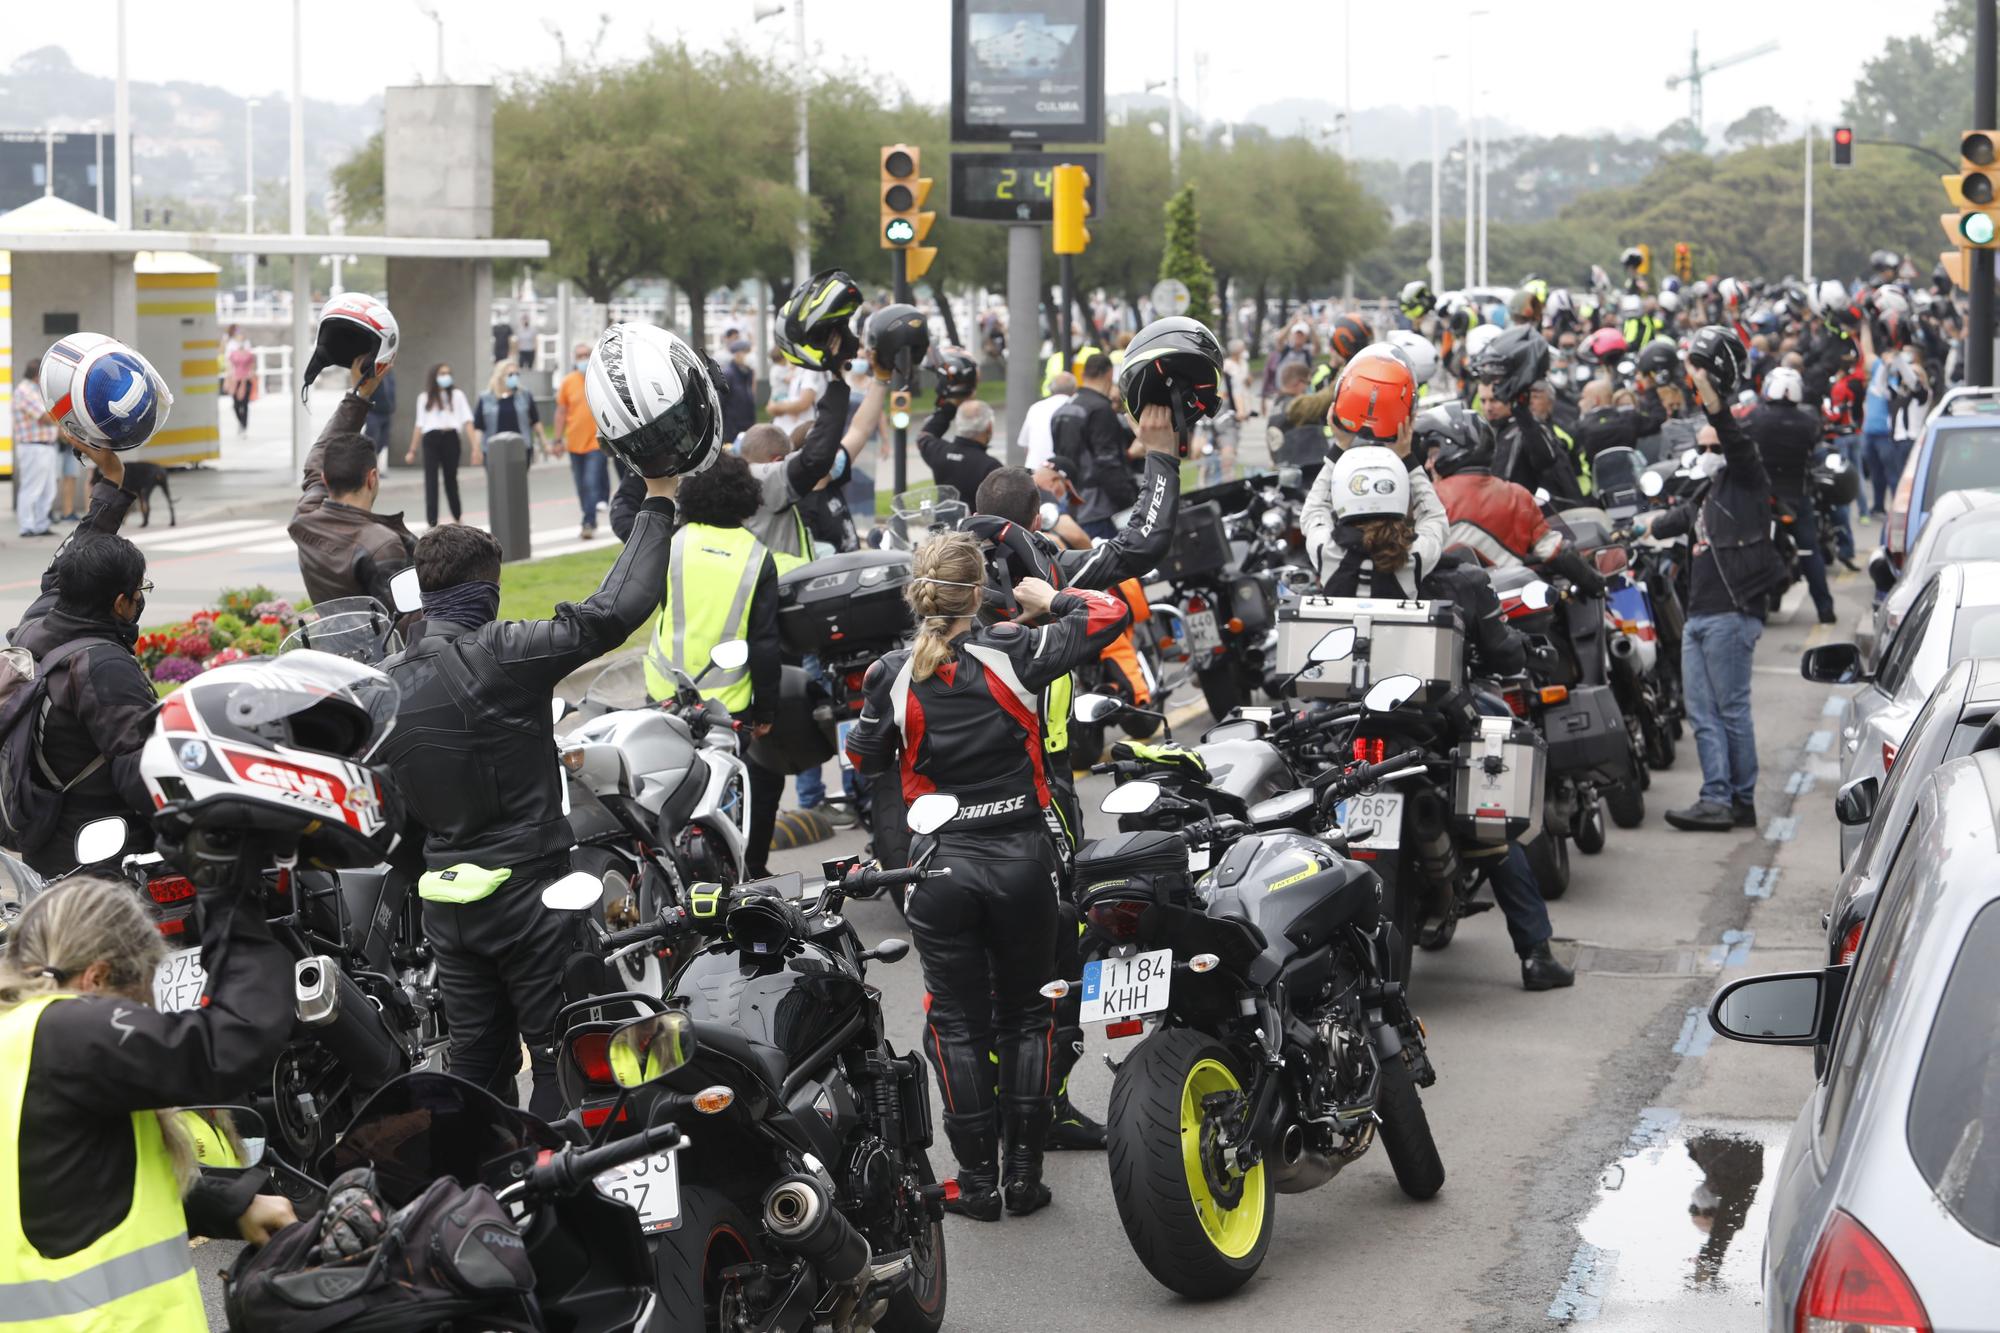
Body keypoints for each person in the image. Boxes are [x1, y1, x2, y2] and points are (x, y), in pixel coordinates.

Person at [845, 533, 1133, 1220]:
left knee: (956, 1023)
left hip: (938, 865)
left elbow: (863, 760)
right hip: (1022, 860)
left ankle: (976, 1185)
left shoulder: (890, 673)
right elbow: (1108, 613)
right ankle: (1025, 1177)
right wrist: (1049, 594)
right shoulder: (1013, 651)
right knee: (1029, 1014)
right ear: (977, 594)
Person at [376, 472, 680, 1116]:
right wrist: (658, 498)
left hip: (449, 910)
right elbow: (615, 611)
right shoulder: (502, 653)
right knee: (560, 1058)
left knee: (476, 1067)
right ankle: (556, 1195)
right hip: (531, 898)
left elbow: (388, 813)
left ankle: (488, 1204)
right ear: (488, 591)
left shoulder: (384, 685)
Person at [1316, 445, 1573, 991]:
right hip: (1430, 722)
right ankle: (1536, 954)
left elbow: (1314, 514)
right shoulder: (1436, 565)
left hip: (1345, 725)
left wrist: (1337, 452)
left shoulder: (1327, 568)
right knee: (1494, 821)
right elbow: (1504, 655)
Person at [0, 876, 300, 1328]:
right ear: (97, 977)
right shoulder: (64, 1030)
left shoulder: (19, 1043)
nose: (147, 1013)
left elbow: (76, 1194)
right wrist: (230, 898)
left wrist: (232, 1203)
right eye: (141, 995)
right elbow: (231, 1045)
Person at [1635, 332, 1783, 833]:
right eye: (1702, 448)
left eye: (1713, 447)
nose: (1707, 452)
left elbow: (1729, 433)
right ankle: (1736, 799)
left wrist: (1710, 395)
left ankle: (1720, 798)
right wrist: (1638, 527)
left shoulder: (1745, 476)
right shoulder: (1711, 488)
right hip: (1702, 613)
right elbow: (1677, 516)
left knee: (1726, 710)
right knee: (1708, 710)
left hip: (1729, 612)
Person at [7, 445, 157, 878]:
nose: (139, 599)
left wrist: (111, 481)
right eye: (138, 591)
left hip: (47, 843)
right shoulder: (103, 667)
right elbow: (141, 773)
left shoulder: (39, 622)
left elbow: (73, 556)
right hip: (100, 863)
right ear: (120, 603)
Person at [609, 326, 882, 559]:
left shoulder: (695, 515)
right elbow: (817, 458)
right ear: (776, 462)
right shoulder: (762, 485)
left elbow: (852, 434)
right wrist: (837, 377)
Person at [641, 453, 784, 877]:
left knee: (668, 786)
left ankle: (668, 875)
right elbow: (764, 644)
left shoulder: (673, 541)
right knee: (739, 791)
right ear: (746, 496)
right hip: (729, 705)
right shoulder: (757, 557)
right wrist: (767, 712)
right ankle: (748, 870)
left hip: (665, 691)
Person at [1420, 401, 1604, 597]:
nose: (1428, 464)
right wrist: (1596, 584)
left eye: (1433, 454)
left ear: (1453, 450)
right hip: (1509, 609)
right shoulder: (1517, 495)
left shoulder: (1427, 498)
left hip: (1447, 612)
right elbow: (1555, 551)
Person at [290, 358, 417, 608]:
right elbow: (407, 624)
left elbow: (317, 457)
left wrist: (359, 394)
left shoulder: (305, 517)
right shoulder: (382, 544)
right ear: (372, 477)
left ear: (326, 479)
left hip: (329, 641)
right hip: (379, 647)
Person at [1745, 365, 1835, 624]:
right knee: (1810, 551)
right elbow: (1816, 447)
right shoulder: (1809, 421)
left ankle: (1755, 608)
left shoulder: (1755, 417)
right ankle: (1825, 607)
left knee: (1752, 549)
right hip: (1796, 495)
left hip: (1763, 496)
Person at [1052, 353, 1137, 539]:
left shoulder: (1063, 410)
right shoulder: (1100, 409)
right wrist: (1131, 502)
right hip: (1100, 508)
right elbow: (1107, 463)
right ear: (1109, 374)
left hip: (1072, 505)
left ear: (1083, 375)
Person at [406, 363, 476, 526]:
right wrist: (412, 449)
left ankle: (457, 517)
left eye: (448, 373)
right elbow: (419, 425)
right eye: (442, 373)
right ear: (434, 377)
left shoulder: (457, 395)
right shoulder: (424, 398)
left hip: (451, 438)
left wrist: (475, 447)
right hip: (431, 439)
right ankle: (432, 522)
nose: (446, 376)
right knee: (431, 481)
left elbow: (468, 421)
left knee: (451, 479)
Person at [552, 340, 609, 540]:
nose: (584, 359)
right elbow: (560, 412)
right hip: (574, 444)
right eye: (580, 356)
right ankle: (589, 517)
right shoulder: (568, 382)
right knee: (581, 485)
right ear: (574, 360)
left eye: (587, 355)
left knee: (591, 481)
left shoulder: (600, 379)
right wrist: (557, 441)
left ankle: (588, 520)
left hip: (597, 443)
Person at [12, 356, 60, 538]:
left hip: (46, 446)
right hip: (33, 446)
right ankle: (27, 526)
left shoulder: (36, 390)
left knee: (48, 489)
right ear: (36, 375)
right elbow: (45, 418)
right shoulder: (24, 391)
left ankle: (41, 524)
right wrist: (62, 415)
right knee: (31, 487)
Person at [919, 397, 1001, 501]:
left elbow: (923, 436)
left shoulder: (939, 451)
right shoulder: (991, 467)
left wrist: (950, 406)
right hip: (976, 517)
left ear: (958, 423)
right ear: (989, 427)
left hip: (944, 517)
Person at [472, 359, 547, 457]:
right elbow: (478, 426)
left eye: (517, 374)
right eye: (510, 375)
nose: (514, 377)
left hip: (521, 447)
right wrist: (476, 449)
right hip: (494, 449)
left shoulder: (525, 395)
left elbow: (535, 421)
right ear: (500, 376)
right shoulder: (486, 398)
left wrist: (544, 443)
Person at [1018, 372, 1075, 472]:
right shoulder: (1076, 408)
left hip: (1034, 470)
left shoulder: (1036, 408)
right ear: (1074, 390)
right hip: (1061, 472)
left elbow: (1026, 445)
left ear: (1051, 389)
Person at [765, 351, 825, 437]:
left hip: (801, 433)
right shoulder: (792, 371)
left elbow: (804, 403)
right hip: (784, 432)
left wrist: (777, 407)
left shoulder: (809, 370)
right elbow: (770, 407)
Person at [719, 339, 757, 444]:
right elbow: (721, 403)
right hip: (731, 431)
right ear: (736, 354)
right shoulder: (728, 374)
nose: (749, 355)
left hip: (747, 428)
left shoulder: (748, 373)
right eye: (746, 352)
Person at [361, 364, 398, 469]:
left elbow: (391, 392)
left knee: (382, 442)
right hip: (373, 412)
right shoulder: (373, 372)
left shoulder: (390, 374)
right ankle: (368, 467)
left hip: (387, 412)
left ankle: (374, 467)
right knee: (371, 441)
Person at [224, 324, 255, 437]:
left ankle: (244, 426)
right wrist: (228, 378)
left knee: (245, 404)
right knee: (236, 405)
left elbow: (251, 364)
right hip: (235, 380)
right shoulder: (232, 348)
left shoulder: (247, 349)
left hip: (246, 379)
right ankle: (241, 422)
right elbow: (228, 363)